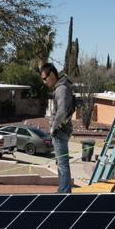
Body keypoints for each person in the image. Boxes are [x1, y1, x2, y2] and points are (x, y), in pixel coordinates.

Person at [40, 62, 75, 193]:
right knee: (61, 163)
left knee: (62, 163)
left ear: (52, 75)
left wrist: (53, 128)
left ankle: (64, 191)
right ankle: (63, 189)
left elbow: (62, 111)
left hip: (60, 131)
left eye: (45, 78)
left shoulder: (61, 89)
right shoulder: (61, 87)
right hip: (61, 130)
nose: (44, 82)